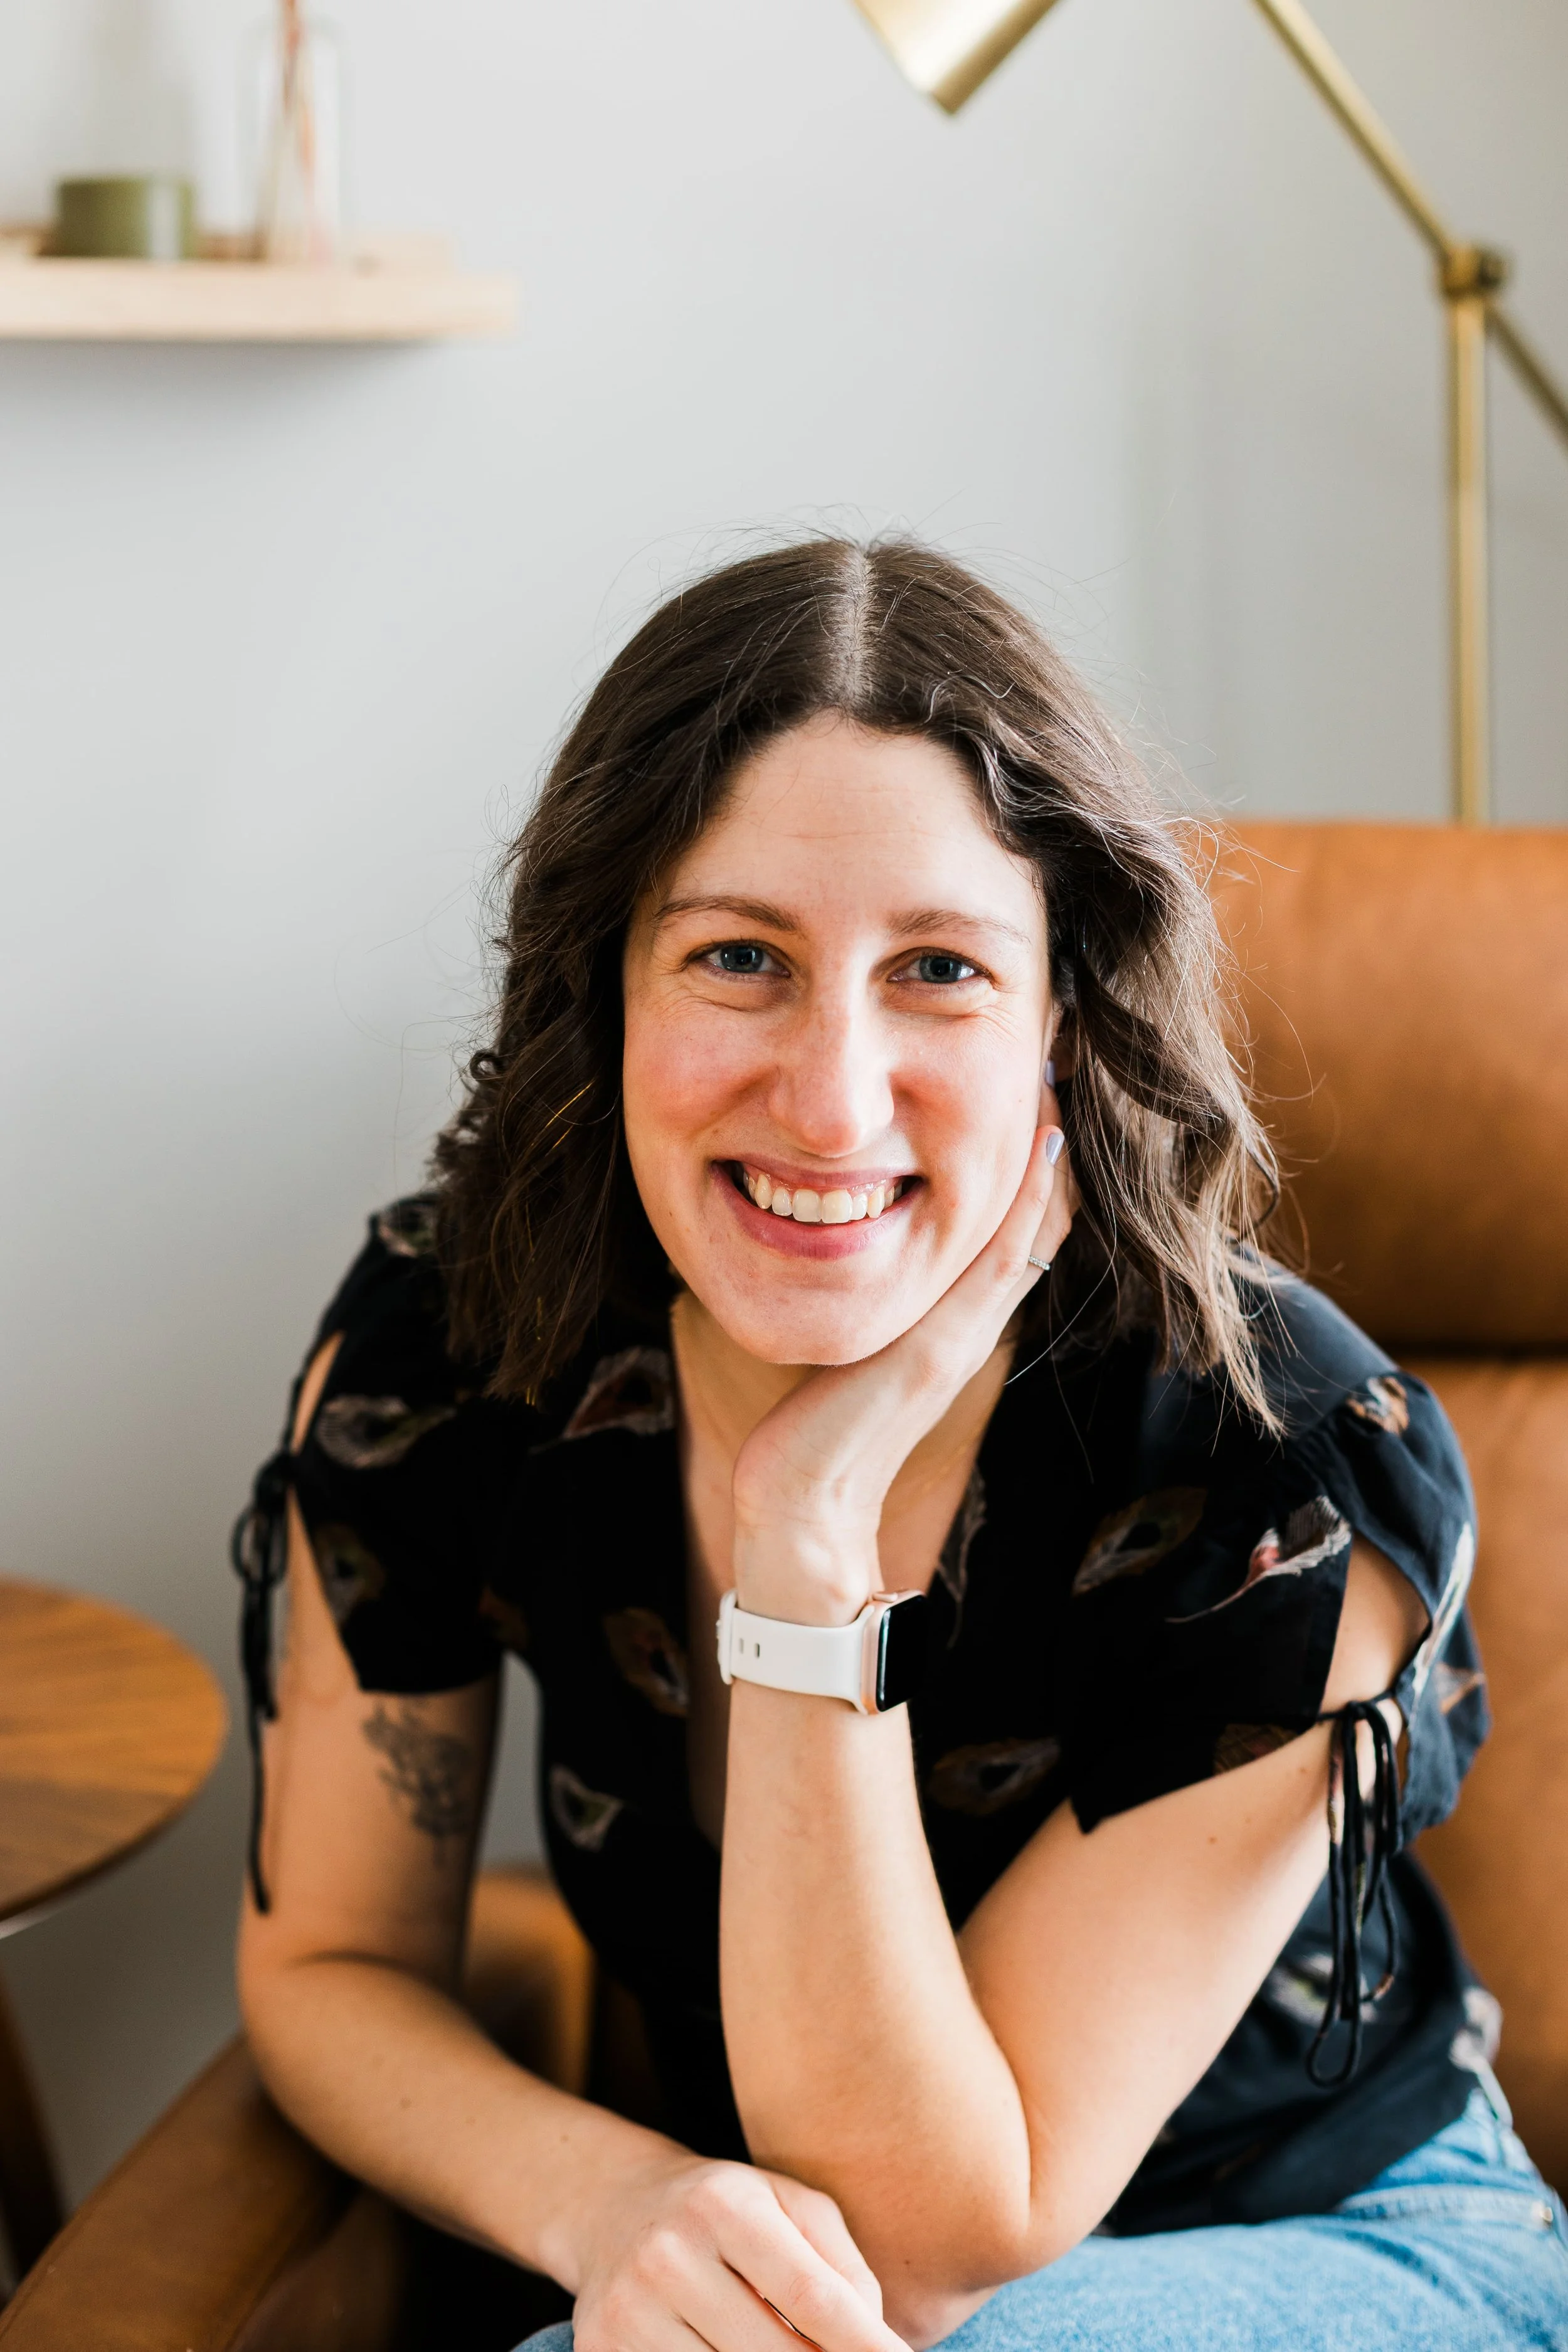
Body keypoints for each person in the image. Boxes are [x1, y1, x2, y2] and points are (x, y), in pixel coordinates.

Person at [233, 538, 1568, 2352]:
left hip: (1342, 2244)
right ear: (601, 990)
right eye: (737, 957)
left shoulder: (1286, 1470)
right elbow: (330, 1961)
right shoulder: (457, 1337)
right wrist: (611, 2199)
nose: (831, 1098)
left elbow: (931, 2243)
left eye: (938, 968)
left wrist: (807, 1531)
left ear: (1063, 1026)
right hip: (807, 2271)